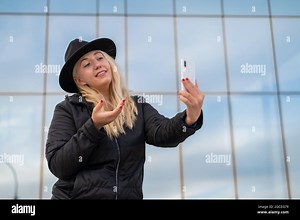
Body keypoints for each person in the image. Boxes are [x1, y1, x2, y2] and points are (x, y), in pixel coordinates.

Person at [45, 37, 205, 200]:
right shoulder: (67, 109)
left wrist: (191, 116)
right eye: (87, 64)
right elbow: (58, 165)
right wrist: (93, 127)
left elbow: (163, 133)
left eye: (100, 58)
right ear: (79, 80)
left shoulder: (137, 106)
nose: (97, 64)